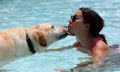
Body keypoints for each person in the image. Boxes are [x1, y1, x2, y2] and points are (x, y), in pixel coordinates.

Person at [46, 7, 110, 71]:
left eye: (74, 18)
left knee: (85, 63)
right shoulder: (80, 42)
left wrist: (70, 71)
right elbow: (65, 48)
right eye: (71, 17)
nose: (69, 20)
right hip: (95, 58)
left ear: (86, 26)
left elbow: (98, 65)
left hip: (111, 62)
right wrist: (44, 50)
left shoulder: (98, 47)